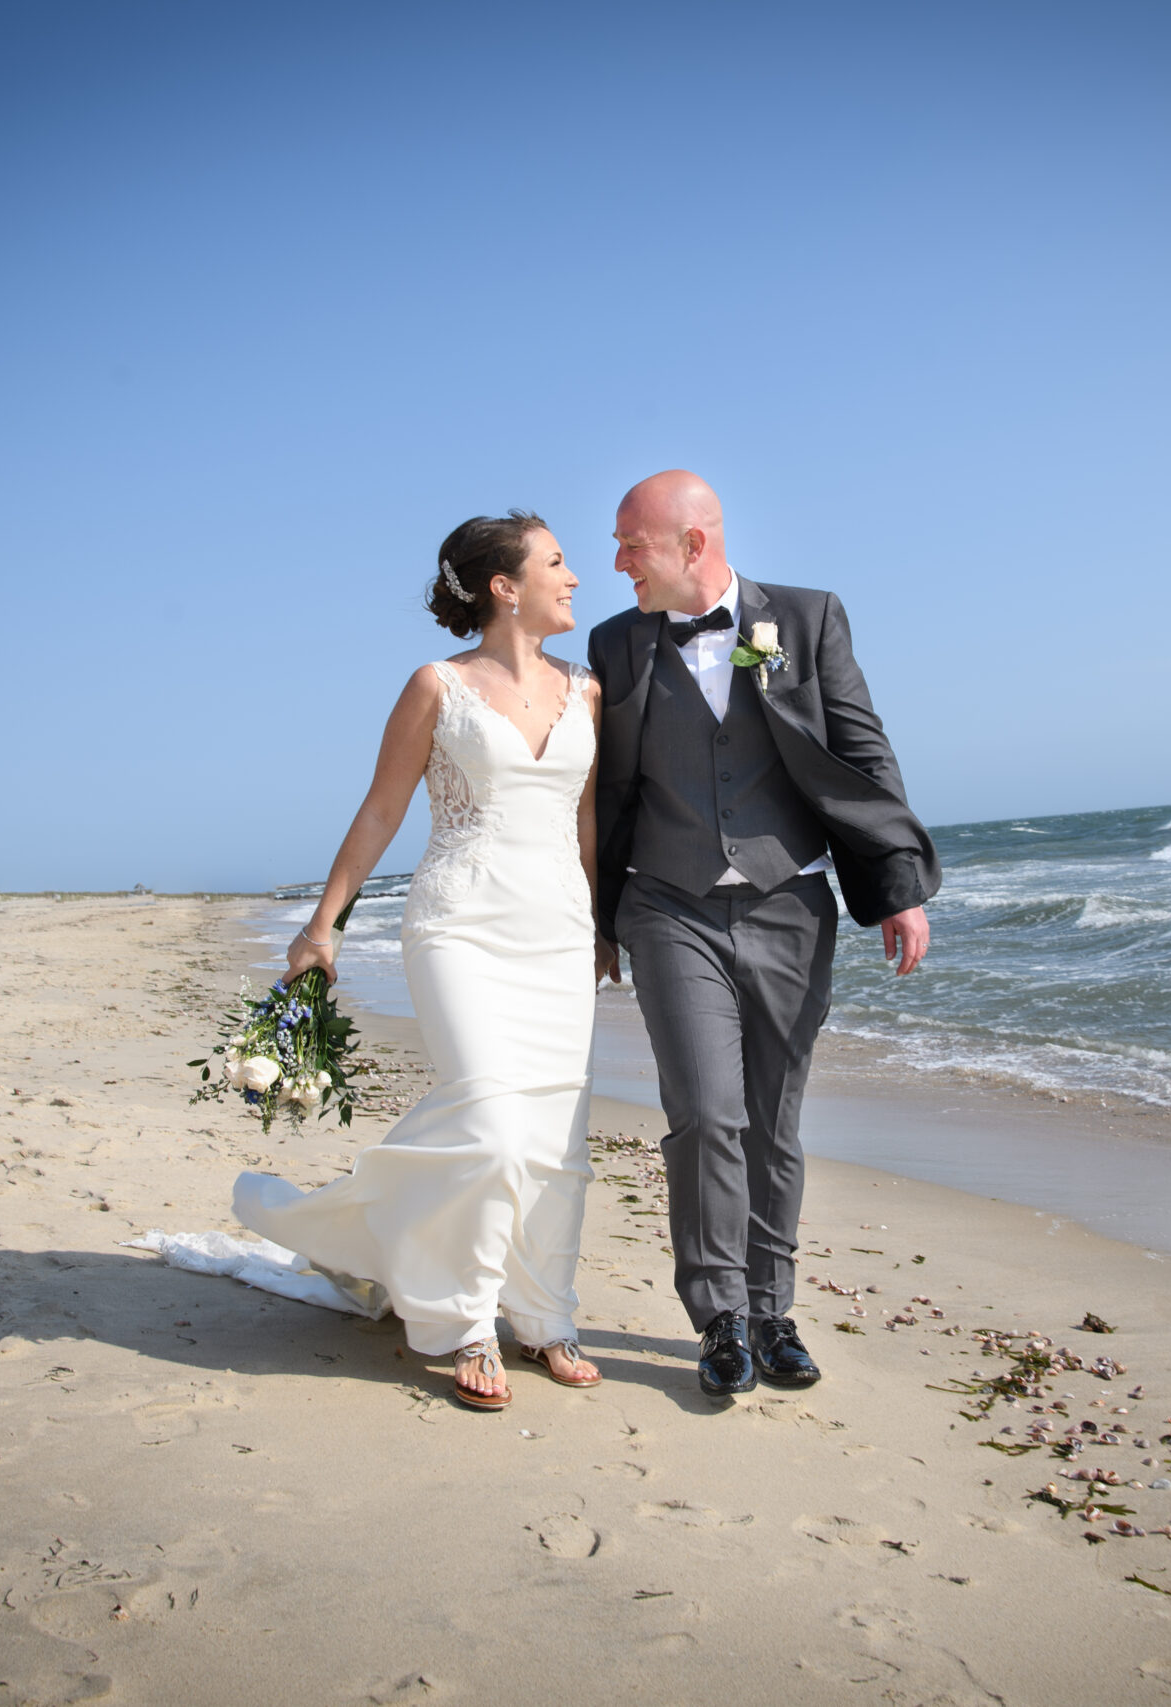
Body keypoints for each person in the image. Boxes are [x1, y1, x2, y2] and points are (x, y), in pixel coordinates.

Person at [233, 511, 602, 1412]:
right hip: (460, 926)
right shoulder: (436, 685)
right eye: (557, 562)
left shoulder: (587, 691)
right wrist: (323, 926)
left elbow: (588, 820)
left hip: (559, 931)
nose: (575, 577)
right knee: (489, 1121)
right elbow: (380, 811)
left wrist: (605, 926)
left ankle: (545, 1314)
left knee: (556, 1140)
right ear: (503, 587)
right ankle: (463, 1318)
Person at [588, 470, 938, 1398]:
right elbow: (606, 790)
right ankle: (720, 1317)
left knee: (773, 1120)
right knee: (708, 1113)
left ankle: (774, 1309)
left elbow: (862, 750)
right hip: (668, 906)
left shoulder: (807, 619)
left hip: (790, 903)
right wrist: (597, 917)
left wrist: (898, 887)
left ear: (693, 546)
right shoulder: (616, 646)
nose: (618, 562)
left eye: (634, 545)